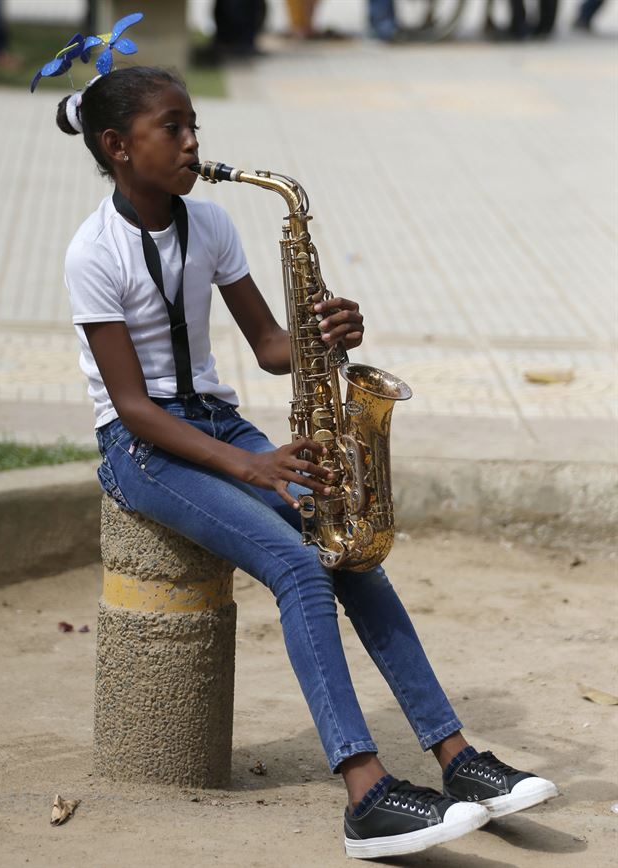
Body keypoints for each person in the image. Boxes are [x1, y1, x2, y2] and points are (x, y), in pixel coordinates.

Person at [48, 60, 558, 859]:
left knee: (350, 552)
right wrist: (247, 467)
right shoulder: (92, 252)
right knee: (296, 563)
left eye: (194, 127)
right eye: (172, 129)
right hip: (140, 449)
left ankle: (455, 757)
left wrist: (328, 336)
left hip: (213, 419)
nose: (192, 143)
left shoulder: (210, 223)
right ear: (118, 146)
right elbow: (136, 407)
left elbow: (270, 347)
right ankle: (366, 793)